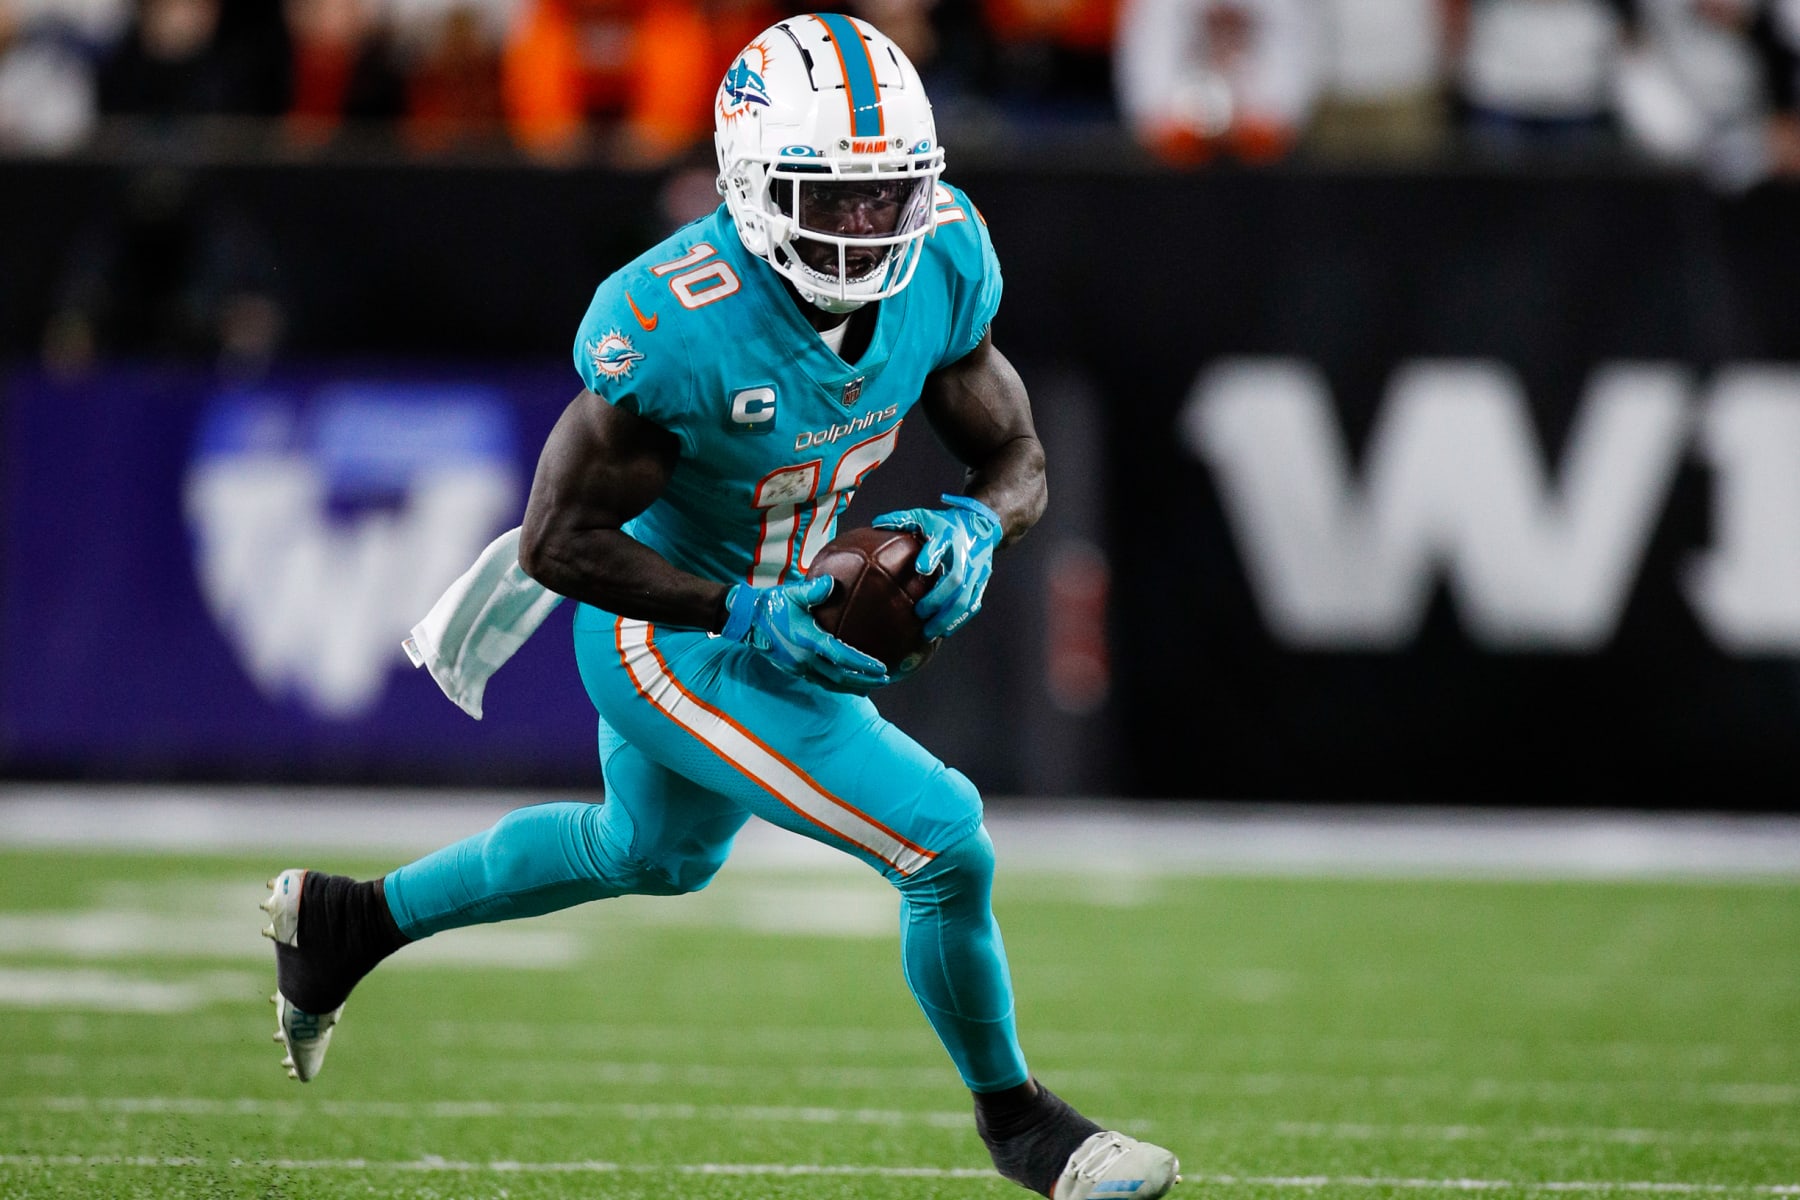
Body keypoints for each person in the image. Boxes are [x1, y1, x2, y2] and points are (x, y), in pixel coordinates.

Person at [258, 13, 1180, 1200]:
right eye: (829, 197)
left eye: (885, 195)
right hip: (671, 632)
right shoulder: (675, 323)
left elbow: (1016, 452)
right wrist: (740, 611)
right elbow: (556, 542)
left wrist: (971, 524)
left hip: (776, 607)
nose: (864, 228)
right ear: (750, 186)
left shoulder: (944, 258)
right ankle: (1027, 1129)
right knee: (943, 838)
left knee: (651, 852)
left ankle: (346, 925)